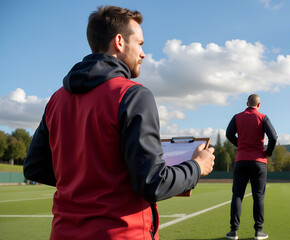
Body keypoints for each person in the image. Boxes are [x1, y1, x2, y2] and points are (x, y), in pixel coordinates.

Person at [23, 6, 215, 240]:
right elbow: (153, 183)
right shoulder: (133, 95)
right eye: (140, 44)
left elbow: (34, 167)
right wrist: (197, 166)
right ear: (119, 42)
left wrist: (88, 183)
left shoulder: (56, 99)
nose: (143, 54)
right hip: (121, 233)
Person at [225, 94, 277, 240]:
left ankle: (233, 232)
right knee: (258, 197)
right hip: (259, 162)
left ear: (247, 103)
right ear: (259, 105)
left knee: (237, 196)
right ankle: (259, 232)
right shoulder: (263, 117)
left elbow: (228, 134)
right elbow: (273, 137)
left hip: (241, 160)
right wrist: (267, 153)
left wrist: (240, 145)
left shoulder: (237, 117)